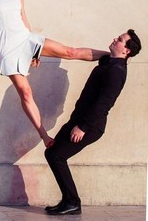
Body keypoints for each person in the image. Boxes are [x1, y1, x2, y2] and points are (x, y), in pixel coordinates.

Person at [0, 0, 108, 147]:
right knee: (26, 92)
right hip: (8, 50)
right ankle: (44, 136)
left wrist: (34, 52)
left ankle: (111, 55)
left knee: (69, 51)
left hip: (26, 40)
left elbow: (24, 20)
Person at [44, 29, 141, 216]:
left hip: (89, 125)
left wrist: (83, 127)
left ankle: (72, 202)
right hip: (79, 119)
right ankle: (69, 200)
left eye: (120, 40)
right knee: (53, 152)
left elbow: (104, 104)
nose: (115, 39)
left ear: (126, 50)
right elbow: (86, 53)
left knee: (56, 155)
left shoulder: (117, 71)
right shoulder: (110, 62)